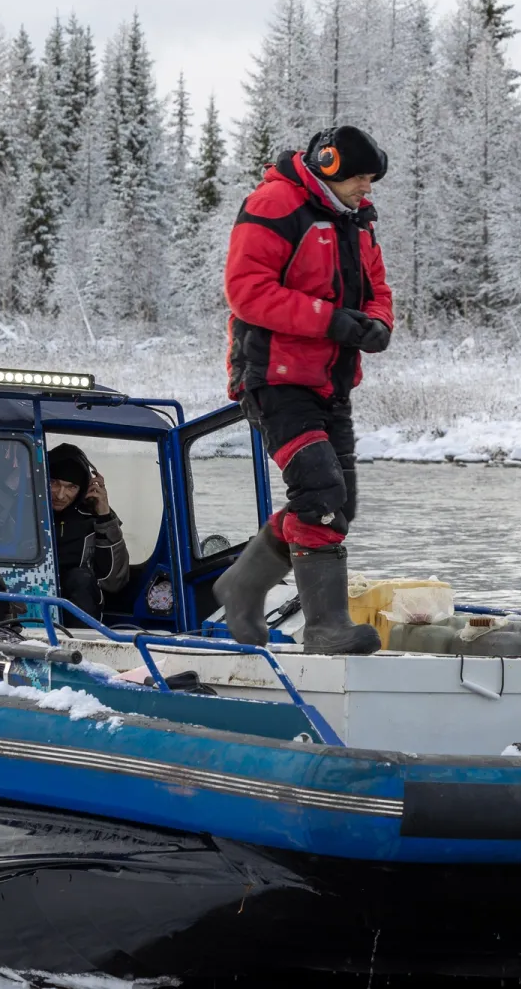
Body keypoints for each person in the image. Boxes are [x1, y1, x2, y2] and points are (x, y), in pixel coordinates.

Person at [212, 126, 393, 655]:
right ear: (330, 166)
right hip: (272, 377)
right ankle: (326, 628)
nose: (367, 189)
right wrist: (331, 321)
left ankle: (240, 588)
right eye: (361, 178)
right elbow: (248, 293)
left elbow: (378, 288)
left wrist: (377, 322)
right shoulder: (273, 203)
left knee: (339, 506)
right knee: (318, 495)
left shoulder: (358, 221)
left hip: (329, 383)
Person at [47, 443, 129, 623]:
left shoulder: (94, 517)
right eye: (54, 483)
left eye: (71, 487)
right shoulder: (24, 508)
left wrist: (104, 515)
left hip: (78, 611)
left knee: (80, 577)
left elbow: (113, 581)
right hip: (27, 598)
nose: (61, 495)